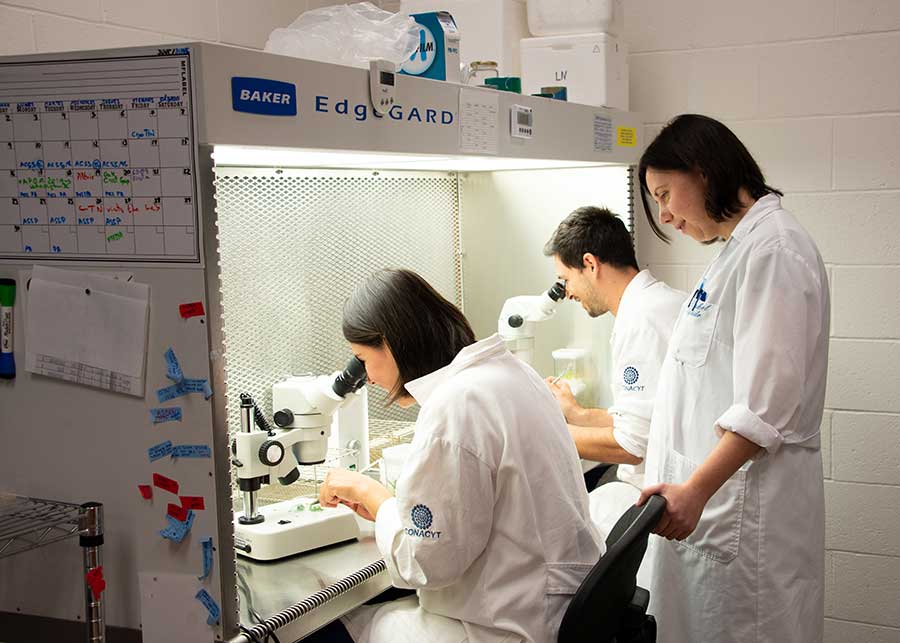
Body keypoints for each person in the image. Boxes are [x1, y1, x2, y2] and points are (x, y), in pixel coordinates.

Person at [317, 268, 602, 643]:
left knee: (331, 631)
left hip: (507, 626)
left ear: (390, 343)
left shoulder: (455, 406)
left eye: (362, 358)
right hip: (554, 605)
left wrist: (375, 497)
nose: (366, 377)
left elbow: (424, 565)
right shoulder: (511, 372)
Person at [635, 114, 829, 642]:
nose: (666, 215)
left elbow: (765, 408)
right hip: (718, 522)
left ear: (703, 171)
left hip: (746, 526)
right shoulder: (739, 251)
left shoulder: (775, 251)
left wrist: (695, 491)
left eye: (665, 193)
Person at [543, 206, 684, 540]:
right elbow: (648, 418)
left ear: (590, 264)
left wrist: (545, 434)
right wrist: (576, 414)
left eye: (566, 279)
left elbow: (630, 445)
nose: (568, 293)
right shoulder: (663, 303)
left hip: (667, 503)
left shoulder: (640, 323)